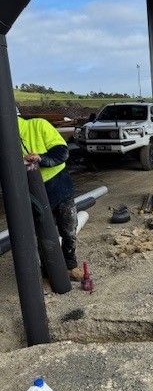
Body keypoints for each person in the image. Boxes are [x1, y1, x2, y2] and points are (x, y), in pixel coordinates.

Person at [17, 109, 83, 281]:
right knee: (43, 233)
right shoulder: (6, 141)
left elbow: (62, 152)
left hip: (59, 187)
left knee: (68, 229)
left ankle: (70, 264)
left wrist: (40, 158)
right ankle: (50, 269)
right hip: (33, 193)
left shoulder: (38, 125)